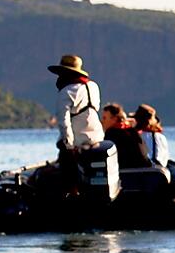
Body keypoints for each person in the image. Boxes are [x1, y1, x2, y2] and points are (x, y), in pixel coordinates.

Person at [50, 54, 103, 186]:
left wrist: (68, 146)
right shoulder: (93, 86)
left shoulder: (67, 91)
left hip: (78, 142)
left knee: (66, 180)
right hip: (98, 139)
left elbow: (64, 122)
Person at [102, 102, 147, 168]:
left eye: (104, 118)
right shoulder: (132, 131)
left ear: (114, 119)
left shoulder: (112, 133)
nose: (102, 121)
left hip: (126, 173)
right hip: (144, 171)